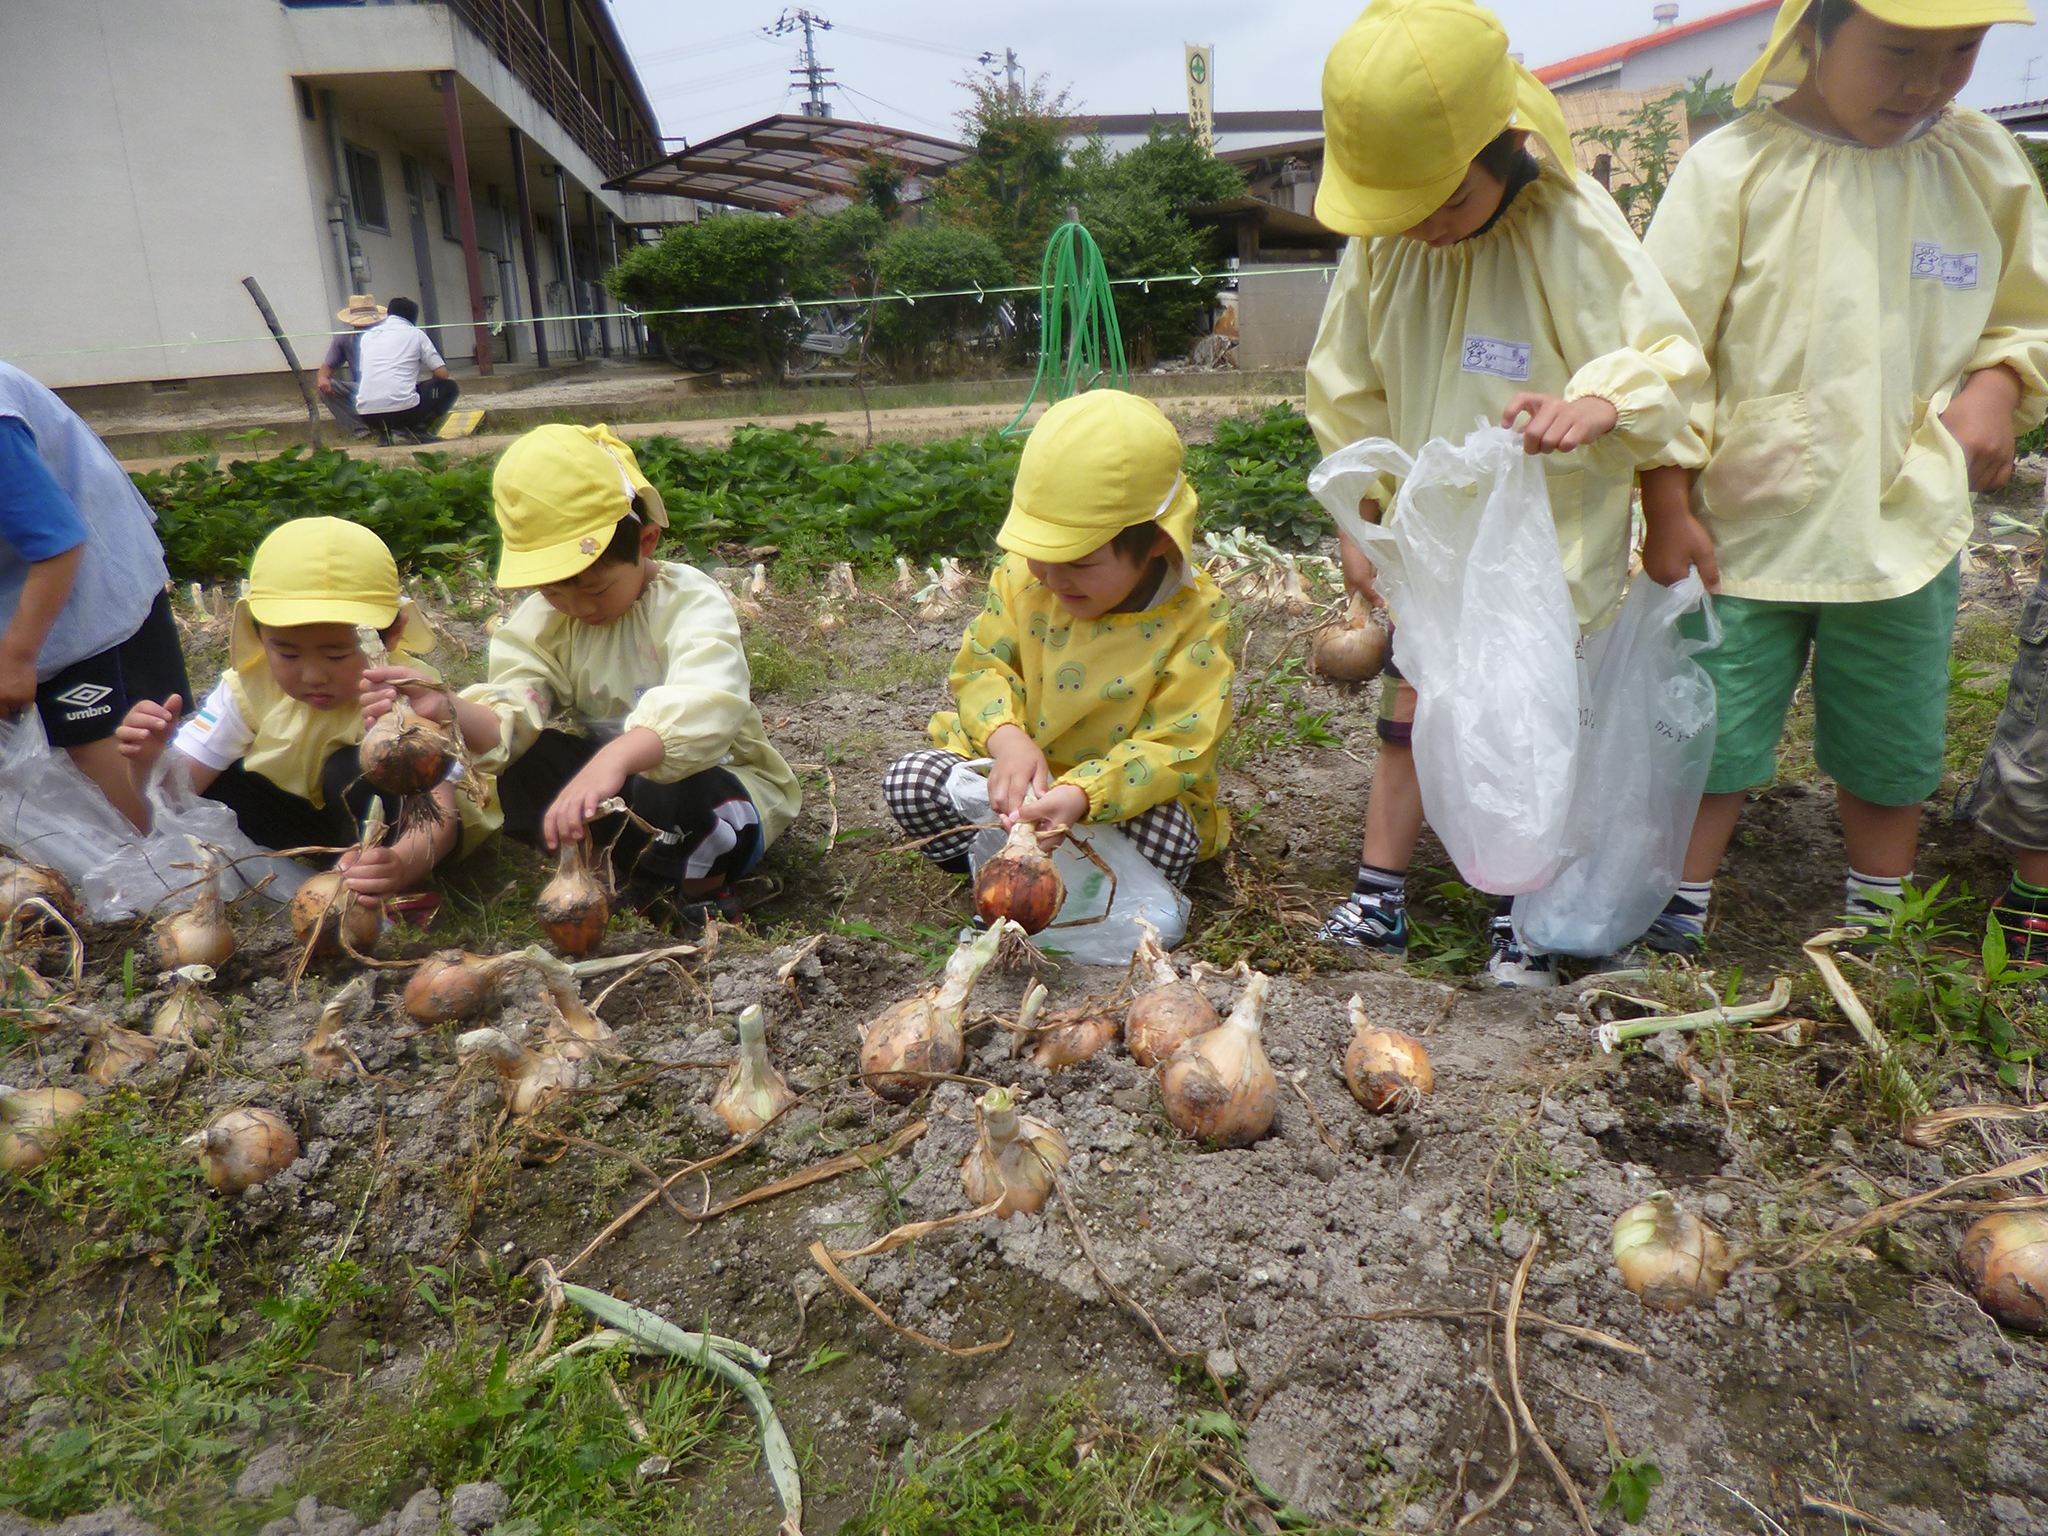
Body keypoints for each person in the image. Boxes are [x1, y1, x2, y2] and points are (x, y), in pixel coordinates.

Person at [1305, 0, 1711, 987]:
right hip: (1430, 544)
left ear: (1510, 145)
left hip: (1545, 552)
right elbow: (1346, 384)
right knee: (1412, 711)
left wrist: (1600, 403)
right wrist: (1361, 516)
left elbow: (1660, 353)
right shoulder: (1388, 240)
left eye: (1447, 201)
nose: (1427, 227)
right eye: (1402, 208)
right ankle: (1379, 896)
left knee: (1531, 734)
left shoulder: (1568, 226)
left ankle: (1518, 916)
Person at [1642, 0, 2048, 954]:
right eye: (1898, 51)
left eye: (1962, 50)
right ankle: (1673, 910)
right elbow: (1662, 350)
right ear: (1815, 33)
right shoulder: (1733, 169)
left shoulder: (1981, 163)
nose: (1929, 81)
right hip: (1741, 523)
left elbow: (2024, 311)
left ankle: (1878, 921)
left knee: (1892, 737)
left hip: (1905, 519)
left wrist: (1999, 383)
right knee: (1710, 730)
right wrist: (1665, 501)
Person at [365, 424, 799, 928]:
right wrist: (450, 708)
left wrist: (616, 757)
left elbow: (708, 699)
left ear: (647, 541)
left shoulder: (688, 602)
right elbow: (514, 706)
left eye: (595, 589)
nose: (577, 607)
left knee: (678, 784)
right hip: (620, 793)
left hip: (722, 792)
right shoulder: (545, 624)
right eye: (553, 592)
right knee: (528, 763)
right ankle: (606, 871)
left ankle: (701, 890)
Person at [884, 389, 1234, 891]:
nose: (1051, 577)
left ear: (1158, 540)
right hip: (1015, 780)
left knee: (1170, 835)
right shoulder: (1022, 578)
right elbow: (983, 667)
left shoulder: (1191, 616)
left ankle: (1084, 878)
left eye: (1079, 563)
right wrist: (1008, 741)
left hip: (1114, 802)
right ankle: (1001, 861)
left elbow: (1179, 742)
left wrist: (1085, 794)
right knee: (911, 780)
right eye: (1038, 552)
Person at [114, 517, 491, 906]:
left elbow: (439, 814)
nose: (313, 676)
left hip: (401, 833)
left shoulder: (408, 695)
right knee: (223, 780)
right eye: (288, 653)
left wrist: (401, 864)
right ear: (259, 636)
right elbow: (178, 799)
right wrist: (148, 763)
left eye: (337, 655)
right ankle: (291, 867)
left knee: (358, 765)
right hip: (308, 824)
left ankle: (389, 884)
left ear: (391, 635)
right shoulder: (249, 687)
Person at [0, 358, 189, 834]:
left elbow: (59, 541)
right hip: (29, 571)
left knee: (98, 739)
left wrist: (16, 657)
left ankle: (164, 863)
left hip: (79, 580)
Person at [353, 297, 458, 444]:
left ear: (388, 313)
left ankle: (386, 434)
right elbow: (442, 374)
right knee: (448, 387)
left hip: (367, 414)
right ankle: (415, 431)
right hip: (402, 410)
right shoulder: (416, 334)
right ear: (413, 317)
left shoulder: (368, 336)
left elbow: (364, 371)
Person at [317, 294, 384, 439]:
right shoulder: (344, 338)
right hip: (360, 387)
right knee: (327, 388)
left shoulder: (388, 335)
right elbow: (327, 367)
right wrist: (323, 378)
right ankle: (359, 430)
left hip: (387, 385)